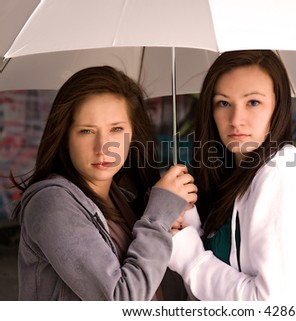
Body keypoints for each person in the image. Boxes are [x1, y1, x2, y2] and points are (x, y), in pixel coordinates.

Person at [9, 66, 197, 300]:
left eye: (116, 129)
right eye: (87, 131)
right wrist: (158, 219)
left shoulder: (125, 199)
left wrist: (169, 225)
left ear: (133, 135)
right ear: (64, 136)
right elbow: (121, 300)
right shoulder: (52, 203)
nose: (103, 147)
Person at [168, 50, 296, 300]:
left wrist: (190, 259)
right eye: (223, 103)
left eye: (253, 102)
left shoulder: (284, 172)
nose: (236, 119)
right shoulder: (235, 175)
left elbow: (274, 305)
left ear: (278, 107)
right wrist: (189, 224)